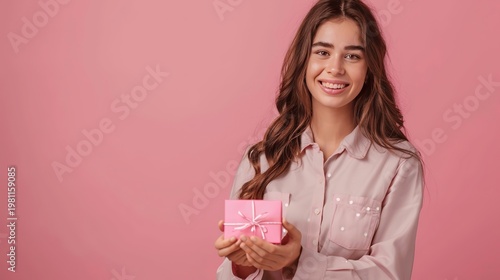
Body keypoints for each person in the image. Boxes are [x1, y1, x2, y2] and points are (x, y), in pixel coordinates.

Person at [214, 0, 424, 279]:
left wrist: (299, 261)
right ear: (304, 60)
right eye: (322, 52)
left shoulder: (398, 164)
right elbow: (230, 274)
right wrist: (243, 265)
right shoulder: (261, 158)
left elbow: (390, 273)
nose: (335, 68)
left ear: (370, 67)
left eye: (352, 56)